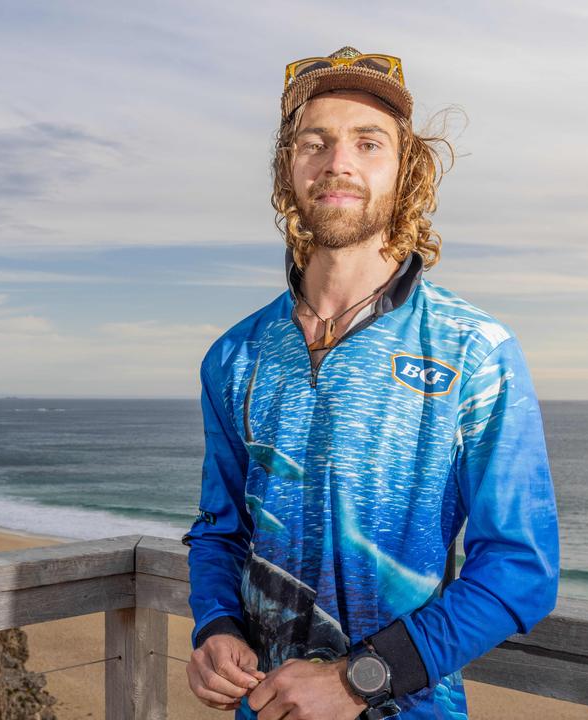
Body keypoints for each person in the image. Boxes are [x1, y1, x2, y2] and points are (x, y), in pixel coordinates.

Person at [182, 46, 560, 720]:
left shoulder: (474, 352)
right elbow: (221, 532)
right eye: (314, 142)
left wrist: (357, 680)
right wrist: (216, 628)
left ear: (406, 168)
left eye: (368, 142)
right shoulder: (234, 357)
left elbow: (519, 569)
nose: (339, 162)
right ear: (288, 168)